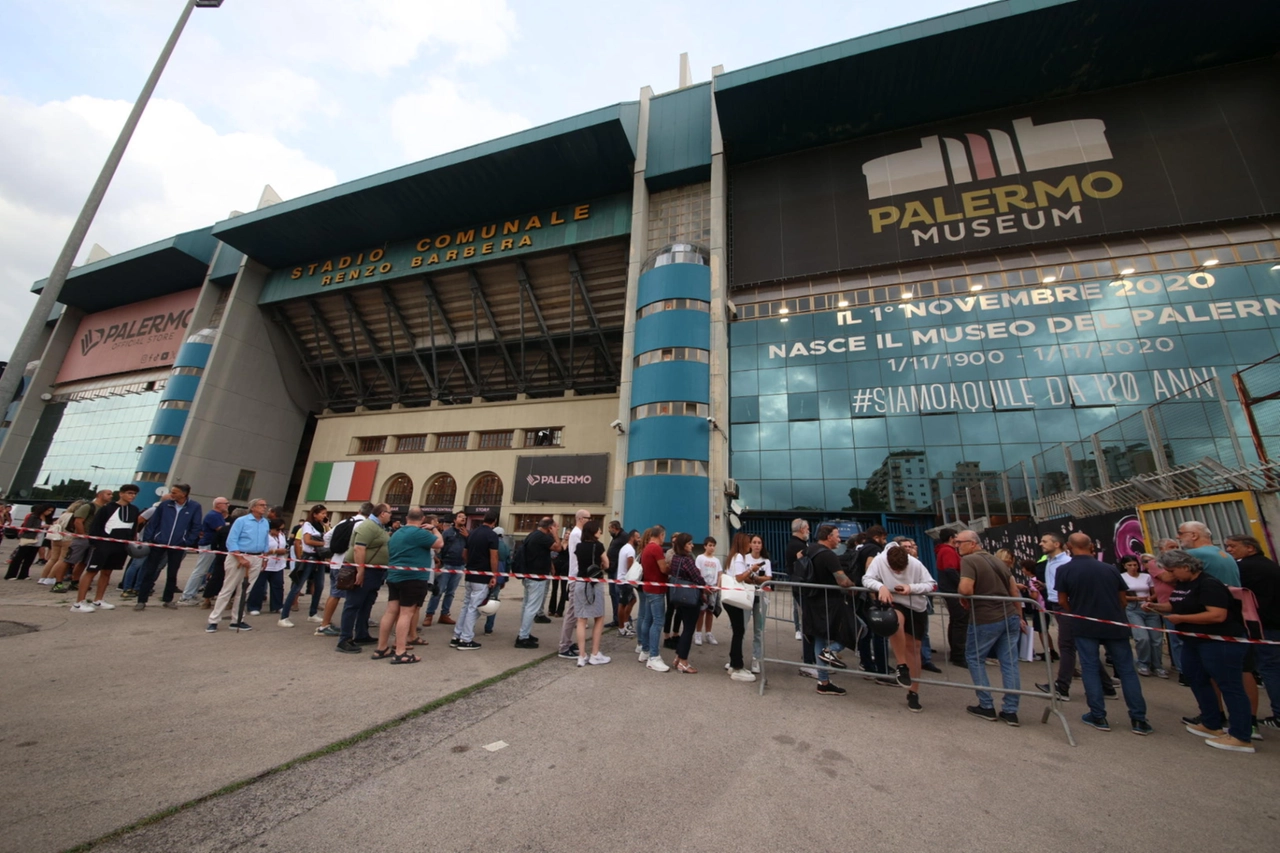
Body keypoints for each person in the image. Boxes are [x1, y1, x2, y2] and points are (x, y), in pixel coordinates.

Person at [1145, 549, 1254, 752]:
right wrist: (1156, 607)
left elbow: (1217, 615)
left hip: (1219, 642)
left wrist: (1182, 619)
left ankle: (1241, 735)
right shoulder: (1184, 584)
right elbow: (1177, 604)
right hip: (1193, 641)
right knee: (1197, 678)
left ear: (1185, 567)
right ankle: (1211, 722)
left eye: (1172, 570)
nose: (1170, 575)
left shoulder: (1209, 584)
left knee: (1230, 686)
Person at [1055, 532, 1152, 736]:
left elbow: (1063, 601)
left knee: (1089, 668)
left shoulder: (1065, 570)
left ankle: (1098, 715)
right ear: (1090, 546)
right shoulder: (1109, 568)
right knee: (1127, 670)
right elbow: (1123, 599)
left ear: (1069, 547)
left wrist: (1077, 611)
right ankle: (1139, 718)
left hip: (1084, 623)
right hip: (1114, 622)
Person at [955, 531, 1025, 725]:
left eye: (959, 542)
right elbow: (1013, 591)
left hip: (986, 617)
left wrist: (960, 592)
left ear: (971, 543)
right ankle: (1011, 710)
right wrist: (1020, 616)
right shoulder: (998, 561)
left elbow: (966, 589)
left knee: (974, 657)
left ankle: (986, 705)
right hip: (1009, 615)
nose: (956, 545)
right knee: (1009, 662)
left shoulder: (969, 561)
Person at [864, 542, 935, 713]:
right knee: (895, 621)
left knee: (915, 648)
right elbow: (867, 578)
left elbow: (931, 584)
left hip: (916, 606)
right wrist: (880, 586)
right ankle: (901, 665)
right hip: (896, 603)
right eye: (894, 569)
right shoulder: (880, 560)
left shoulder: (915, 563)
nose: (898, 573)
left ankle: (913, 692)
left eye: (901, 569)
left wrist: (911, 587)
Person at [1226, 534, 1280, 729]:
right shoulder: (1270, 564)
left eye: (1233, 546)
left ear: (1250, 548)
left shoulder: (1245, 567)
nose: (1229, 550)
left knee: (1269, 667)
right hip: (1271, 623)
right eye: (1227, 546)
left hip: (1263, 624)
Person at [377, 509, 442, 663]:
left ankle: (381, 647)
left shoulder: (397, 533)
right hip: (413, 578)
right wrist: (434, 529)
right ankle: (400, 651)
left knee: (391, 611)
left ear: (406, 518)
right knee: (406, 613)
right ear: (423, 519)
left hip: (394, 575)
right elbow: (439, 543)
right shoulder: (419, 533)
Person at [802, 524, 853, 696]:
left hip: (811, 600)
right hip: (830, 603)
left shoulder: (809, 550)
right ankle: (831, 651)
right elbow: (842, 580)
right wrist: (854, 586)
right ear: (828, 536)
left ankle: (823, 682)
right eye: (837, 536)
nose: (840, 539)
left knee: (819, 640)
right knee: (859, 629)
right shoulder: (828, 555)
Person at [133, 484, 202, 611]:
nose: (172, 494)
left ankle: (168, 599)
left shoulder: (195, 507)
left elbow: (196, 525)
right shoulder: (165, 505)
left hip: (178, 545)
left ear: (184, 494)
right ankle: (141, 600)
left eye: (175, 492)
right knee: (150, 571)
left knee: (172, 573)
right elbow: (153, 522)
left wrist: (187, 541)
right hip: (159, 543)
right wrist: (150, 539)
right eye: (172, 492)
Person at [71, 487, 140, 612]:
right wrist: (95, 543)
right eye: (130, 493)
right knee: (91, 571)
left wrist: (132, 543)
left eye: (135, 494)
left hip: (120, 546)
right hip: (102, 545)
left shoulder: (134, 510)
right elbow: (95, 526)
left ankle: (98, 600)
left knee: (107, 572)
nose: (133, 496)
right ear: (121, 494)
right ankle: (78, 603)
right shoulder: (107, 508)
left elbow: (134, 528)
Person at [207, 498, 270, 633]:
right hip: (239, 556)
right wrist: (239, 557)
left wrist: (264, 557)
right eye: (261, 505)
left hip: (256, 557)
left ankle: (237, 619)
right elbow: (232, 540)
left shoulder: (265, 523)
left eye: (265, 505)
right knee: (228, 588)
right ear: (253, 507)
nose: (265, 507)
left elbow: (265, 540)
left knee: (245, 590)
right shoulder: (242, 521)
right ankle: (214, 620)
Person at [336, 503, 393, 653]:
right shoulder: (368, 526)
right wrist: (360, 570)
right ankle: (345, 639)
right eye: (389, 513)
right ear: (382, 513)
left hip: (373, 572)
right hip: (363, 570)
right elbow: (359, 548)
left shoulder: (378, 526)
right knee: (353, 604)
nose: (391, 516)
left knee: (366, 603)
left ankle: (361, 633)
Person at [316, 503, 370, 636]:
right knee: (338, 594)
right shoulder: (364, 525)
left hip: (336, 560)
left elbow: (327, 536)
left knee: (336, 593)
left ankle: (327, 623)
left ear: (359, 510)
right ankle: (324, 625)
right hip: (347, 564)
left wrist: (332, 551)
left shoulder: (345, 521)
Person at [450, 510, 500, 651]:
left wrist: (469, 564)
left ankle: (457, 635)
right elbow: (494, 556)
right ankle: (466, 639)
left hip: (470, 573)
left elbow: (464, 553)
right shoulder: (492, 535)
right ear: (494, 521)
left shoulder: (472, 533)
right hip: (482, 576)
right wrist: (493, 575)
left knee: (466, 605)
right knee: (474, 608)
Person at [50, 490, 111, 593]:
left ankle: (75, 582)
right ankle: (58, 583)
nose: (111, 496)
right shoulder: (88, 507)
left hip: (94, 539)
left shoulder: (104, 509)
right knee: (68, 560)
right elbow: (78, 521)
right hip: (82, 539)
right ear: (99, 495)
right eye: (108, 494)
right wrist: (82, 535)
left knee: (83, 562)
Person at [515, 517, 561, 649]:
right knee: (532, 607)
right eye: (555, 527)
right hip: (536, 577)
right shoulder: (543, 537)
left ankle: (525, 632)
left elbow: (542, 553)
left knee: (527, 605)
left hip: (529, 574)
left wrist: (550, 565)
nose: (557, 529)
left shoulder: (533, 535)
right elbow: (558, 548)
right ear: (550, 527)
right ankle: (523, 637)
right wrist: (555, 535)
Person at [279, 504, 328, 627]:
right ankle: (284, 616)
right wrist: (323, 543)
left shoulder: (322, 526)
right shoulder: (307, 525)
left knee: (319, 586)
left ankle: (313, 613)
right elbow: (307, 541)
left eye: (325, 513)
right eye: (322, 513)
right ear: (314, 514)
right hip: (309, 557)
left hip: (319, 558)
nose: (324, 516)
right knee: (297, 586)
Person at [850, 525, 889, 675]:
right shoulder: (873, 549)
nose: (885, 541)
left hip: (861, 594)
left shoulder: (861, 548)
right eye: (884, 538)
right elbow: (869, 569)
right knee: (879, 633)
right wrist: (875, 593)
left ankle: (867, 664)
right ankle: (882, 669)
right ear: (877, 536)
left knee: (866, 632)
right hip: (869, 595)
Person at [572, 520, 611, 666]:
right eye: (599, 529)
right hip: (595, 583)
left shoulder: (579, 546)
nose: (600, 532)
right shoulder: (599, 546)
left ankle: (581, 655)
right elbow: (606, 564)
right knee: (599, 617)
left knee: (581, 619)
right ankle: (595, 653)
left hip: (580, 582)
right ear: (594, 531)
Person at [1119, 554, 1164, 677]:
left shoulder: (1146, 577)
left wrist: (1150, 599)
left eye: (1135, 564)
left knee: (1156, 638)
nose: (1133, 567)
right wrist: (1137, 598)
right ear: (1124, 566)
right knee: (1142, 638)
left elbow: (1154, 592)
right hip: (1133, 609)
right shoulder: (1122, 577)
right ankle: (1143, 663)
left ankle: (1157, 665)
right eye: (1129, 565)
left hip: (1149, 607)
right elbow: (1121, 596)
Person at [784, 519, 819, 678]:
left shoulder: (798, 544)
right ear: (801, 529)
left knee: (810, 623)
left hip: (803, 588)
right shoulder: (796, 545)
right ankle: (808, 661)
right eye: (807, 528)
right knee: (808, 623)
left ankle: (811, 658)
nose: (809, 531)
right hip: (802, 589)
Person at [665, 532, 703, 673]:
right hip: (690, 597)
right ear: (683, 545)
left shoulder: (675, 558)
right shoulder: (687, 560)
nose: (692, 545)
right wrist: (706, 587)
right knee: (688, 629)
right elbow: (697, 577)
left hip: (678, 596)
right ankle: (683, 662)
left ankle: (678, 657)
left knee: (685, 628)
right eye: (689, 543)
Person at [179, 497, 229, 605]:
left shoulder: (218, 515)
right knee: (200, 571)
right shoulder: (213, 516)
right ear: (218, 504)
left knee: (203, 571)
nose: (227, 505)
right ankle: (186, 596)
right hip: (208, 545)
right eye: (226, 503)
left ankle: (191, 594)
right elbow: (221, 530)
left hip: (211, 544)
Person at [722, 533, 757, 682]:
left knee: (738, 630)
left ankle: (734, 662)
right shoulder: (739, 557)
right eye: (749, 542)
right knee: (739, 631)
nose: (750, 545)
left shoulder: (733, 556)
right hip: (735, 597)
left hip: (730, 597)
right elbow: (738, 577)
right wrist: (752, 569)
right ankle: (737, 665)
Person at [557, 510, 591, 660]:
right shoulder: (577, 534)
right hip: (576, 577)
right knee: (571, 613)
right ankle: (563, 646)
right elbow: (579, 555)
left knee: (575, 613)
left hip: (577, 576)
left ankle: (568, 642)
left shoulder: (578, 533)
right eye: (588, 518)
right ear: (581, 519)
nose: (590, 520)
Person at [422, 513, 466, 627]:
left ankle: (444, 614)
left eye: (465, 518)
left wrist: (468, 536)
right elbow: (441, 547)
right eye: (461, 517)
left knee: (451, 592)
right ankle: (429, 615)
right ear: (455, 519)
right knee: (439, 591)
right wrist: (439, 562)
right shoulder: (448, 532)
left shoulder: (466, 533)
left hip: (459, 565)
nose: (463, 519)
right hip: (447, 564)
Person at [637, 525, 671, 672]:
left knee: (648, 620)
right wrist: (671, 566)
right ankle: (654, 656)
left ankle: (645, 650)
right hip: (657, 589)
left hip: (648, 588)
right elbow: (663, 569)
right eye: (664, 536)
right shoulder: (656, 549)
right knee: (658, 622)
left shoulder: (645, 548)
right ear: (661, 535)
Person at [934, 528, 968, 666]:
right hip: (953, 591)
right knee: (960, 621)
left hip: (950, 590)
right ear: (951, 538)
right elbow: (950, 569)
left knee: (956, 621)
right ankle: (958, 654)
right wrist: (962, 585)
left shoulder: (944, 551)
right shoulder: (947, 551)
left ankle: (957, 653)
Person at [248, 517, 290, 615]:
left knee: (278, 585)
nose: (279, 532)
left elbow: (283, 546)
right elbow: (260, 549)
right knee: (259, 586)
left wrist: (283, 551)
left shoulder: (282, 535)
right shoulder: (264, 536)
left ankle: (277, 605)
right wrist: (275, 551)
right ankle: (254, 606)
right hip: (265, 564)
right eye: (277, 529)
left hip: (278, 564)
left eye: (281, 529)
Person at [1177, 521, 1240, 586]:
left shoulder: (1192, 554)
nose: (1177, 537)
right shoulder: (1225, 554)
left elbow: (1168, 578)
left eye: (1180, 533)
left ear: (1194, 535)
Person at [5, 504, 52, 581]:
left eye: (51, 511)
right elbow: (28, 526)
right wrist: (41, 526)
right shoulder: (33, 516)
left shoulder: (47, 518)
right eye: (48, 510)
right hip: (29, 538)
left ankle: (24, 574)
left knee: (30, 558)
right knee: (19, 557)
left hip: (39, 540)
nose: (49, 512)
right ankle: (11, 574)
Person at [36, 501, 78, 586]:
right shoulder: (74, 516)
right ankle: (51, 578)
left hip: (56, 538)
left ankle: (43, 577)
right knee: (62, 559)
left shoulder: (64, 514)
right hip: (67, 538)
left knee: (52, 559)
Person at [694, 537, 721, 646]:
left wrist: (717, 586)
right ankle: (698, 633)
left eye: (713, 545)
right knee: (701, 611)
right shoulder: (700, 558)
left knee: (710, 611)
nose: (712, 547)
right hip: (703, 588)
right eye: (710, 545)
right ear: (705, 546)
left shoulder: (716, 560)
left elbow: (720, 574)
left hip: (713, 587)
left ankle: (708, 633)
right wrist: (703, 587)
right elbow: (698, 573)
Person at [614, 529, 639, 636]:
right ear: (632, 537)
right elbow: (630, 566)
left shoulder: (625, 548)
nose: (639, 539)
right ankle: (621, 628)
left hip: (623, 580)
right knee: (623, 604)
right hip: (625, 581)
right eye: (638, 537)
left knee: (633, 600)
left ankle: (625, 622)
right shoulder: (630, 550)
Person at [604, 520, 627, 628]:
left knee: (618, 594)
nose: (608, 530)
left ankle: (623, 619)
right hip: (611, 568)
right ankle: (616, 618)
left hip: (618, 568)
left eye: (609, 528)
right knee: (613, 593)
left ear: (614, 528)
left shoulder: (623, 537)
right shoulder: (616, 538)